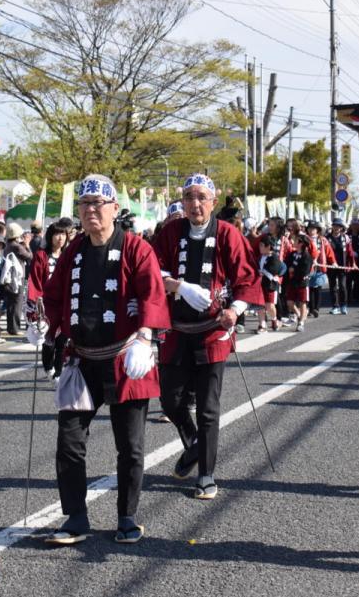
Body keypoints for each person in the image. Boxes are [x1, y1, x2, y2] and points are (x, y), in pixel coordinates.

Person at [36, 174, 169, 544]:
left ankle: (127, 516)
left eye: (98, 204)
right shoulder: (74, 251)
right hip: (81, 360)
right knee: (69, 440)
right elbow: (55, 296)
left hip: (127, 357)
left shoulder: (136, 248)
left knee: (130, 445)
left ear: (113, 208)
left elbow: (152, 294)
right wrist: (49, 330)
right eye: (85, 204)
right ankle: (75, 517)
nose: (91, 210)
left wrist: (145, 337)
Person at [150, 173, 262, 501]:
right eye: (189, 197)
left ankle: (206, 474)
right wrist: (179, 286)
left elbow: (247, 276)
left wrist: (235, 310)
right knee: (170, 400)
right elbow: (153, 269)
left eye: (201, 197)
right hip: (177, 330)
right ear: (182, 202)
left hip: (214, 330)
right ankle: (194, 443)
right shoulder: (171, 232)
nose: (195, 204)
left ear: (213, 201)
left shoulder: (227, 234)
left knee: (208, 407)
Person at [28, 222, 70, 378]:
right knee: (49, 338)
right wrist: (35, 302)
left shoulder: (68, 255)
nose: (60, 238)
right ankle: (48, 366)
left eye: (63, 234)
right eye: (56, 234)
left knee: (63, 339)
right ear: (50, 236)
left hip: (65, 302)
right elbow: (35, 279)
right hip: (47, 304)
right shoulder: (41, 255)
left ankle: (58, 372)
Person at [1, 222, 29, 335]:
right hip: (17, 278)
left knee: (10, 303)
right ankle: (15, 328)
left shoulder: (7, 245)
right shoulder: (17, 246)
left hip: (8, 278)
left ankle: (10, 327)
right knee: (17, 302)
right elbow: (29, 256)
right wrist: (27, 245)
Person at [283, 233, 313, 332]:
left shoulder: (307, 256)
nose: (293, 242)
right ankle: (299, 315)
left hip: (302, 282)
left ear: (301, 244)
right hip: (292, 282)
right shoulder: (292, 254)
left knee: (302, 303)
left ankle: (301, 323)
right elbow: (286, 265)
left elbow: (305, 270)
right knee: (289, 302)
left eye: (296, 241)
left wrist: (293, 270)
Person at [326, 218, 355, 314]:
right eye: (335, 226)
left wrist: (353, 263)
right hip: (331, 265)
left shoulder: (345, 238)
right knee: (333, 286)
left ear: (341, 228)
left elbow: (350, 252)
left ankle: (343, 305)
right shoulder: (327, 238)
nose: (336, 228)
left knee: (343, 286)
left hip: (342, 265)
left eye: (338, 226)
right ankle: (335, 306)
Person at [256, 236, 285, 333]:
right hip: (260, 285)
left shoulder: (274, 258)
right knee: (260, 305)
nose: (259, 247)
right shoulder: (260, 257)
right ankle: (262, 324)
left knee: (270, 305)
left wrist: (262, 272)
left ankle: (274, 320)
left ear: (269, 247)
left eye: (262, 245)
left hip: (270, 285)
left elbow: (274, 270)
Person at [304, 221, 333, 318]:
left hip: (320, 266)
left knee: (318, 287)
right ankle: (311, 309)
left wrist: (333, 262)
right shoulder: (304, 239)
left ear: (317, 230)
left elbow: (329, 252)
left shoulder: (323, 240)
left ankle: (316, 308)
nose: (311, 230)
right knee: (310, 288)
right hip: (308, 267)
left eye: (313, 228)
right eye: (310, 228)